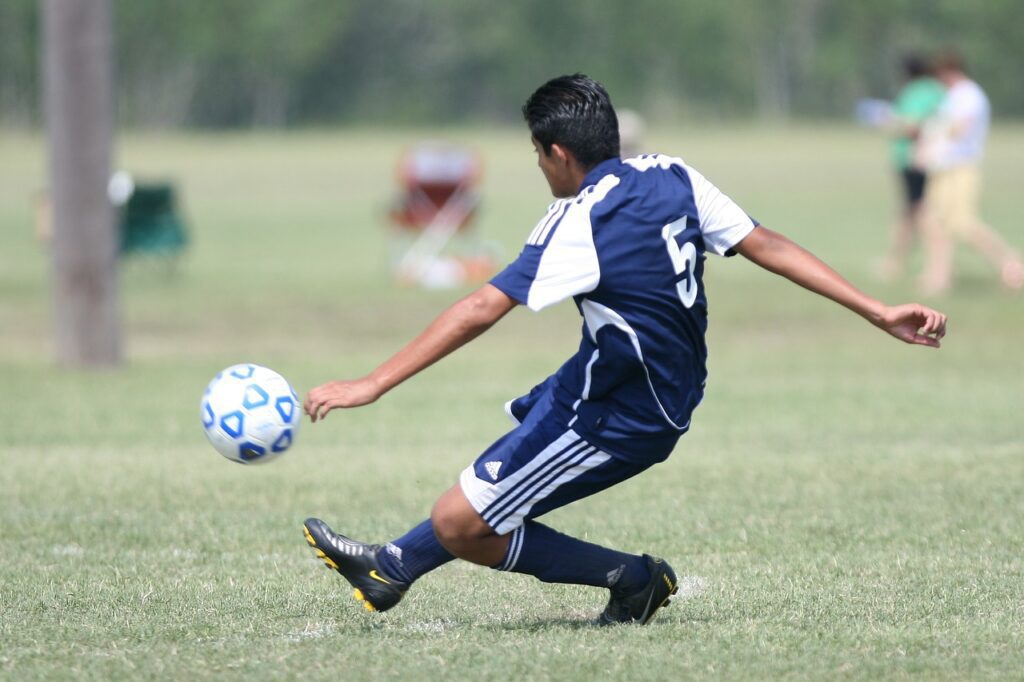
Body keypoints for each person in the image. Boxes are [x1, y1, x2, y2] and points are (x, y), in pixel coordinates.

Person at [302, 74, 947, 626]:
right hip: (614, 379)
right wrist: (876, 308)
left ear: (558, 153)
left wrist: (371, 384)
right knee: (501, 473)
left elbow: (480, 307)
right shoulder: (671, 174)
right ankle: (391, 569)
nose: (538, 166)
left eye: (536, 153)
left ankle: (633, 580)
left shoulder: (579, 219)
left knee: (461, 524)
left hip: (624, 414)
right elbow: (764, 242)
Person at [916, 49, 1024, 294]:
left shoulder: (969, 95)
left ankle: (1012, 263)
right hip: (943, 168)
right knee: (932, 221)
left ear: (949, 72)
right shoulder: (952, 96)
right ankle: (938, 277)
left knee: (963, 224)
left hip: (960, 167)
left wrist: (931, 142)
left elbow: (958, 129)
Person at [876, 55, 946, 282]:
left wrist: (889, 121)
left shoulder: (916, 92)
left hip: (914, 159)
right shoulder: (937, 90)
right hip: (927, 159)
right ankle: (895, 263)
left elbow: (913, 128)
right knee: (908, 213)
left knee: (922, 213)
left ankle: (937, 269)